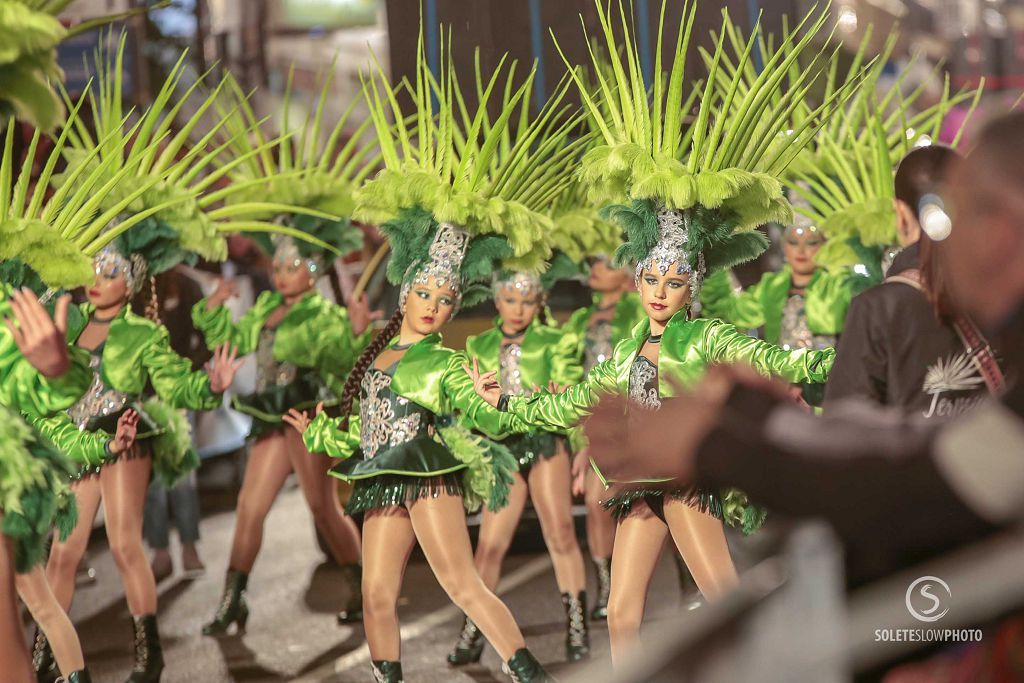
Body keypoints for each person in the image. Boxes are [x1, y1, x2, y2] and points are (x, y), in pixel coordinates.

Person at [581, 110, 1024, 589]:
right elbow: (932, 439)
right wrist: (757, 411)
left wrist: (713, 443)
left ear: (1003, 228)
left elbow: (923, 487)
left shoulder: (874, 304)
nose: (944, 241)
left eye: (955, 216)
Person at [281, 25, 580, 681]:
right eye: (427, 293)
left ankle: (526, 669)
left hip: (428, 476)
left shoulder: (443, 362)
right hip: (381, 476)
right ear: (406, 289)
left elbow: (489, 413)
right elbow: (366, 431)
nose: (437, 306)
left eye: (447, 300)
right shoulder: (379, 355)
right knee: (375, 592)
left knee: (462, 582)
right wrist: (322, 428)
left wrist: (510, 401)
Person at [195, 235, 374, 634]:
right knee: (250, 506)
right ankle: (233, 599)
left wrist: (356, 332)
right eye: (277, 268)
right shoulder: (266, 307)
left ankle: (363, 589)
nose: (281, 276)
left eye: (291, 268)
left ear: (312, 273)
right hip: (270, 413)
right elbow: (234, 345)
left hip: (306, 413)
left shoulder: (322, 314)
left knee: (321, 507)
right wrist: (214, 310)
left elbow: (344, 360)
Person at [448, 269, 590, 666]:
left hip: (544, 442)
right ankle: (473, 629)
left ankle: (577, 628)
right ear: (497, 301)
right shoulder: (479, 344)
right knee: (491, 544)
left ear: (539, 303)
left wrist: (561, 400)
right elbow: (471, 404)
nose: (518, 309)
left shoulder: (556, 341)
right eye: (510, 300)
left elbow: (566, 392)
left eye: (527, 301)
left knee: (561, 533)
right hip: (501, 448)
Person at [823, 145, 1000, 415]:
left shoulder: (878, 309)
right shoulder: (1006, 291)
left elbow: (846, 433)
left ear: (901, 214)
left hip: (920, 457)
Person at [560, 256, 644, 621]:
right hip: (597, 423)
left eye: (606, 262)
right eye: (591, 262)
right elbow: (568, 374)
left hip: (636, 418)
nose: (594, 268)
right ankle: (607, 585)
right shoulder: (579, 320)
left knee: (658, 502)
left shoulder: (637, 309)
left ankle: (687, 579)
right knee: (597, 503)